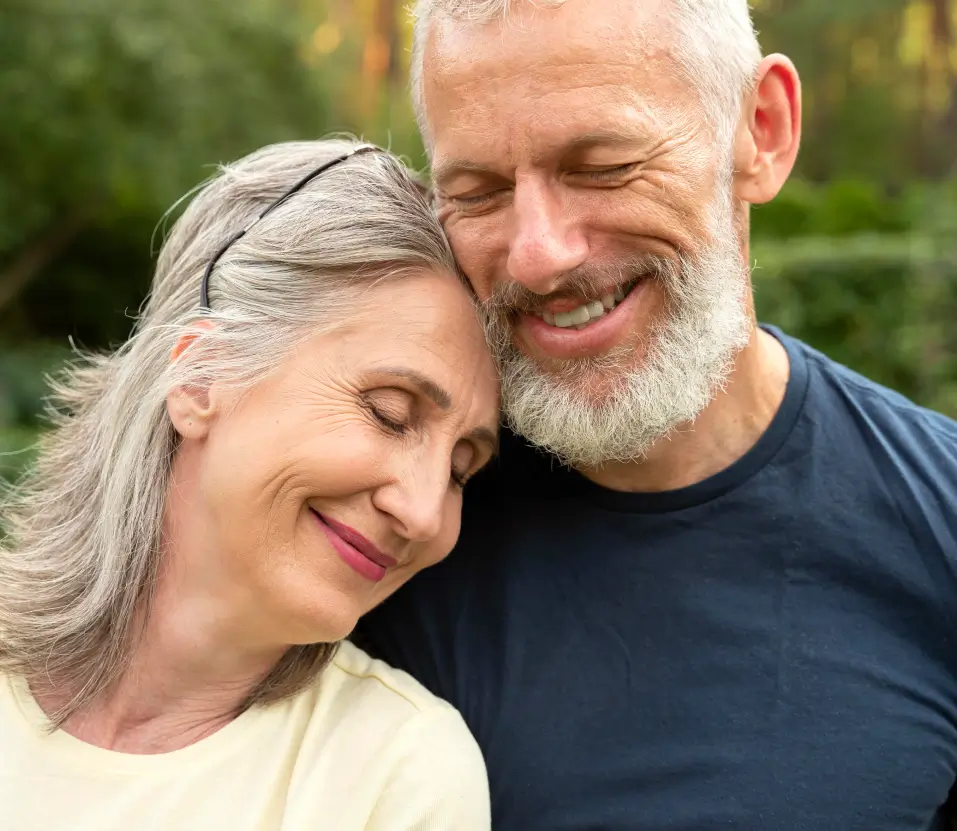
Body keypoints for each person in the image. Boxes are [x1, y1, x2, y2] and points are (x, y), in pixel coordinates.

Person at [355, 1, 957, 829]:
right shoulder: (380, 533)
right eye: (478, 192)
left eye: (601, 166)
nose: (538, 255)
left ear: (761, 129)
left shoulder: (939, 520)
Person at [0, 139, 499, 830]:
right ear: (202, 373)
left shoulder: (397, 776)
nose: (423, 513)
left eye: (460, 471)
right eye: (389, 412)